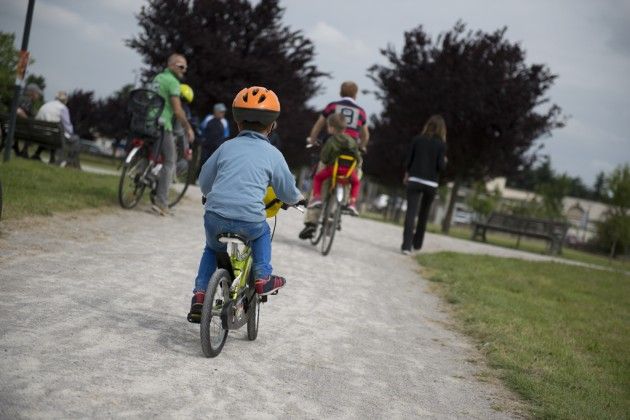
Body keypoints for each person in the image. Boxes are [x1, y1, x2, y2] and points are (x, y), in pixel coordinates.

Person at [188, 86, 305, 320]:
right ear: (272, 125)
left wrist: (209, 193)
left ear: (237, 122)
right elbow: (287, 190)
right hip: (249, 221)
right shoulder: (273, 154)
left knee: (212, 248)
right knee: (262, 232)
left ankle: (200, 296)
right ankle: (262, 277)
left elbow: (204, 180)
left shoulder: (225, 147)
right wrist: (297, 199)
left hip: (215, 217)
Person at [299, 81, 369, 239]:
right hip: (351, 154)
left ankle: (311, 222)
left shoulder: (331, 107)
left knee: (321, 178)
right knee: (355, 175)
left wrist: (312, 139)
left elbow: (318, 125)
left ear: (340, 93)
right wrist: (362, 146)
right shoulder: (361, 112)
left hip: (331, 151)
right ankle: (344, 204)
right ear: (355, 95)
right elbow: (365, 134)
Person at [150, 53, 195, 216]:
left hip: (149, 121)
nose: (184, 70)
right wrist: (188, 127)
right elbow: (177, 110)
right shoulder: (173, 82)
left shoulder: (158, 78)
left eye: (185, 67)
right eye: (181, 66)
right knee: (170, 162)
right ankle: (161, 203)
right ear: (171, 65)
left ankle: (147, 173)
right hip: (163, 124)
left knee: (154, 156)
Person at [401, 115, 447, 255]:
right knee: (424, 214)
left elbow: (409, 160)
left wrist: (407, 174)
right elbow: (440, 166)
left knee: (411, 212)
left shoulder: (417, 140)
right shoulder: (441, 145)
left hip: (414, 180)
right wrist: (444, 161)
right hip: (431, 183)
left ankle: (406, 246)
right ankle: (418, 243)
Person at [308, 113, 361, 216]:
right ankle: (352, 203)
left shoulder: (331, 141)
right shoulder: (352, 141)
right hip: (349, 171)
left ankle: (317, 198)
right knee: (356, 183)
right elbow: (357, 157)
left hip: (333, 169)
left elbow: (325, 157)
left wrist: (326, 162)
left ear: (331, 128)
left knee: (318, 178)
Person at [35, 91, 79, 166]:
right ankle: (70, 162)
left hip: (38, 133)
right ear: (65, 100)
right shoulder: (63, 108)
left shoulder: (46, 105)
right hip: (53, 135)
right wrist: (71, 132)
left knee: (53, 133)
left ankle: (39, 155)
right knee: (75, 138)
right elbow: (67, 126)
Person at [173, 83, 195, 178]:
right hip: (177, 137)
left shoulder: (170, 104)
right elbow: (184, 132)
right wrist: (188, 150)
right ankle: (171, 176)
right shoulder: (185, 111)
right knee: (185, 160)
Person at [14, 83, 42, 157]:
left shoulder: (20, 98)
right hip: (21, 129)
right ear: (32, 93)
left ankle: (18, 148)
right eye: (37, 94)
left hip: (15, 127)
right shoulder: (27, 100)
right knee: (34, 129)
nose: (38, 96)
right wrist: (28, 120)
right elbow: (19, 111)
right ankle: (25, 151)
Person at [199, 102, 230, 166]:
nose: (223, 114)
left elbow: (226, 135)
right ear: (215, 111)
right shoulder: (208, 118)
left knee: (214, 164)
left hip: (217, 147)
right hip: (206, 147)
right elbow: (201, 129)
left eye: (223, 112)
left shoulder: (224, 122)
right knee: (203, 163)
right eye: (221, 112)